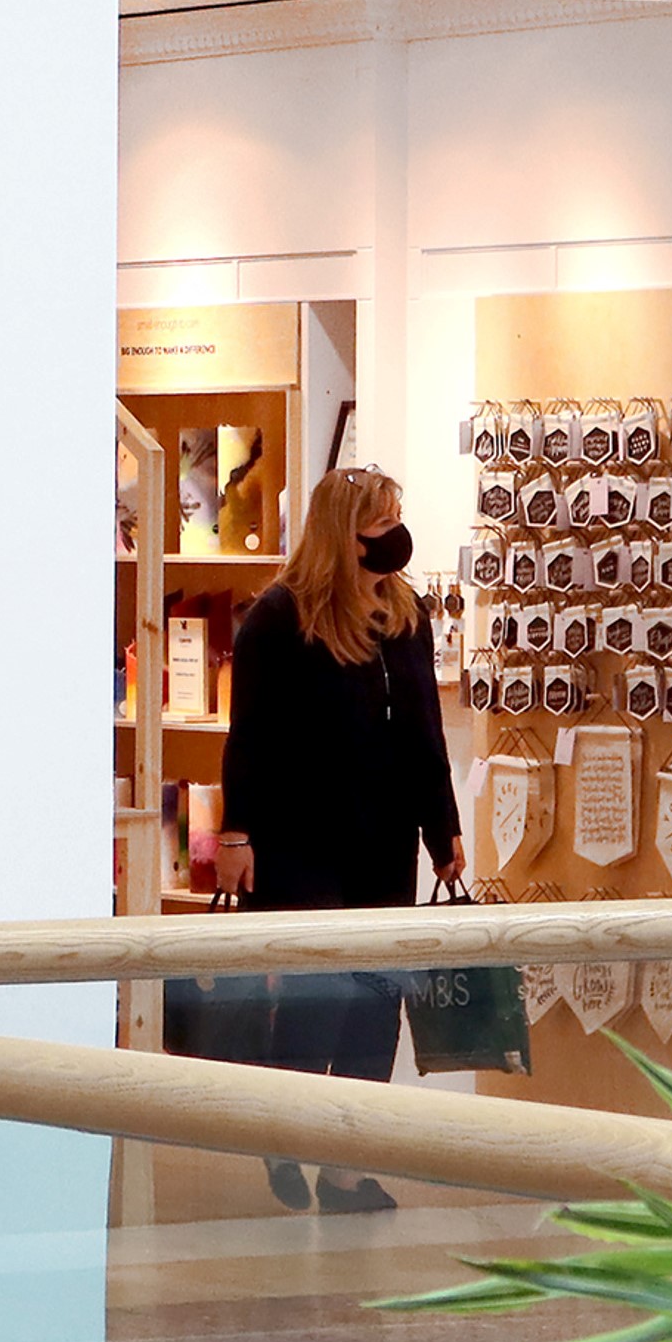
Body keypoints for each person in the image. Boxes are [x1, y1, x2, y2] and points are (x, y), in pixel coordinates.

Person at [217, 466, 465, 1215]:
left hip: (381, 835)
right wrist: (235, 830)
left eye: (397, 519)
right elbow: (249, 736)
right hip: (298, 839)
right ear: (342, 534)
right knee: (311, 1000)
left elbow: (426, 732)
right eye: (379, 523)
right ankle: (286, 1132)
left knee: (373, 1004)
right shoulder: (278, 617)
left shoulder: (406, 615)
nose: (393, 537)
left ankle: (350, 1167)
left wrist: (443, 830)